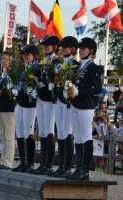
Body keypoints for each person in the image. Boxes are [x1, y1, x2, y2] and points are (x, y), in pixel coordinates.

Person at [67, 37, 102, 180]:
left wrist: (80, 93)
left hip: (86, 106)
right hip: (75, 104)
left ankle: (85, 171)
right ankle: (78, 168)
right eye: (80, 49)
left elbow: (98, 88)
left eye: (84, 48)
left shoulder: (93, 67)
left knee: (86, 136)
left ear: (91, 51)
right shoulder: (79, 66)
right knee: (78, 137)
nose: (81, 51)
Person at [31, 34, 60, 175]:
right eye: (44, 45)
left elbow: (55, 82)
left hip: (49, 99)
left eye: (48, 45)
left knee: (48, 130)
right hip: (41, 98)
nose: (45, 47)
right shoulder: (43, 62)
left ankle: (48, 164)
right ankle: (43, 162)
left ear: (55, 47)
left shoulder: (57, 62)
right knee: (41, 131)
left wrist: (43, 89)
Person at [51, 36, 80, 177]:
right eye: (63, 47)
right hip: (58, 99)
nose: (63, 50)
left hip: (68, 101)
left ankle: (68, 166)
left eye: (67, 47)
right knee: (60, 132)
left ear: (73, 49)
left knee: (67, 132)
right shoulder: (58, 62)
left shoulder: (76, 64)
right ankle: (61, 164)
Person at [11, 45, 41, 173]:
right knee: (20, 133)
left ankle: (30, 163)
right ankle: (22, 162)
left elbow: (39, 85)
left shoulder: (37, 69)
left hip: (30, 105)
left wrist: (34, 91)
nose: (25, 56)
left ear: (34, 56)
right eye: (24, 54)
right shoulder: (21, 69)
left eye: (28, 54)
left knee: (28, 133)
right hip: (20, 103)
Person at [0, 51, 17, 169]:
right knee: (1, 136)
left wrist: (1, 92)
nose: (3, 61)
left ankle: (8, 162)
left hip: (9, 108)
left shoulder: (13, 74)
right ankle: (2, 160)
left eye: (6, 59)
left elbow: (13, 91)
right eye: (2, 59)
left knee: (9, 137)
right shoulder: (1, 75)